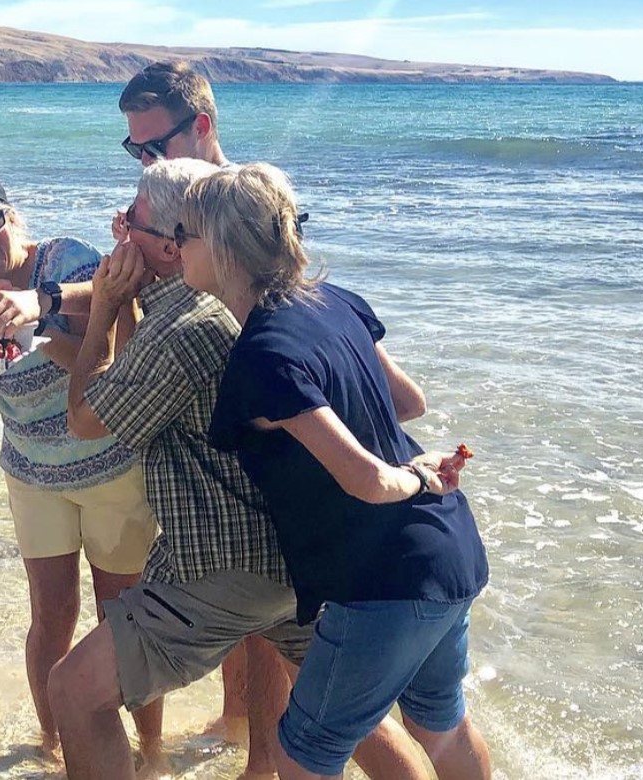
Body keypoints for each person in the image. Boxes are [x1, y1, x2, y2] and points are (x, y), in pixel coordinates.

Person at [51, 159, 429, 780]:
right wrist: (124, 304)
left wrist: (104, 305)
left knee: (74, 689)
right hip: (295, 554)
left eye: (132, 223)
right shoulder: (253, 304)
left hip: (226, 566)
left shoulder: (184, 327)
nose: (120, 235)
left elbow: (86, 419)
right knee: (353, 724)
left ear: (175, 243)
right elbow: (402, 402)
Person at [177, 163, 492, 780]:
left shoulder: (263, 354)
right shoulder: (334, 300)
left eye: (185, 231)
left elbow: (368, 481)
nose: (176, 243)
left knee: (301, 758)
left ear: (221, 243)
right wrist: (406, 467)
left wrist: (414, 476)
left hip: (384, 580)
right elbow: (408, 402)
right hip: (449, 553)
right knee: (441, 728)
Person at [0, 172, 164, 770]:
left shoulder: (68, 259)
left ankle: (150, 749)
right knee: (50, 617)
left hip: (109, 469)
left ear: (12, 218)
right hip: (32, 475)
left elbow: (114, 351)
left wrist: (36, 325)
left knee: (123, 620)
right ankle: (54, 743)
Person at [112, 59, 260, 749]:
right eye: (134, 149)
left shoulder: (244, 209)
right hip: (211, 446)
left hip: (256, 455)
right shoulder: (178, 201)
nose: (144, 160)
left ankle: (258, 751)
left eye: (153, 146)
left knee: (271, 625)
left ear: (200, 127)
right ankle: (239, 726)